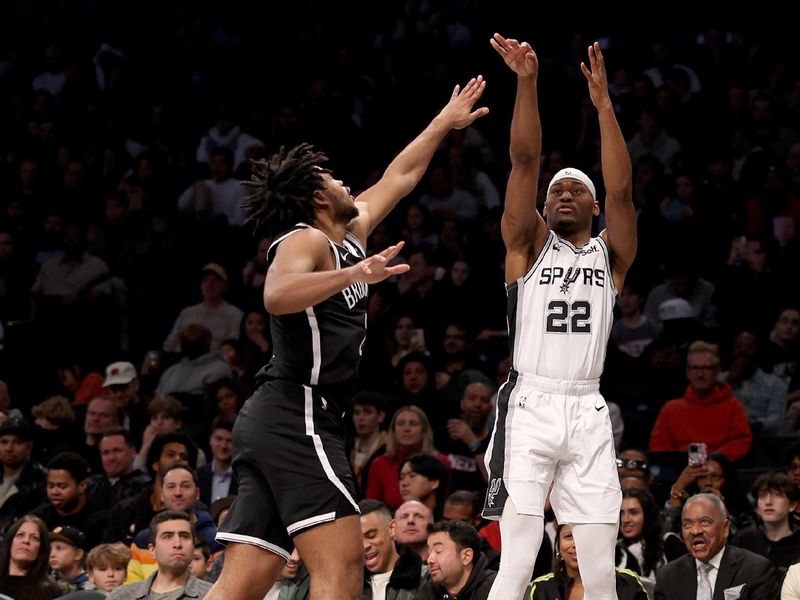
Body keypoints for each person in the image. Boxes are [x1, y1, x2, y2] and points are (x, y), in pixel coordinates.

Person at [209, 75, 488, 600]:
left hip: (276, 418)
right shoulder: (306, 238)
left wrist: (443, 123)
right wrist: (355, 277)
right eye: (333, 178)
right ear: (318, 196)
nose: (344, 183)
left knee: (240, 586)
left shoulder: (352, 236)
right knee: (342, 575)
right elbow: (277, 294)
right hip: (299, 412)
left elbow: (400, 175)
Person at [482, 34, 636, 600]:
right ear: (544, 207)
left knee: (599, 575)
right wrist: (526, 82)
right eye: (556, 190)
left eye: (577, 189)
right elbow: (523, 158)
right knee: (517, 563)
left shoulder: (609, 255)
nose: (564, 194)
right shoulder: (525, 247)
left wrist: (602, 104)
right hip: (531, 406)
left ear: (592, 208)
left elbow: (621, 192)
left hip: (589, 407)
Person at [653, 493, 780, 599]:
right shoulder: (668, 576)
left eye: (705, 522)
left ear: (725, 528)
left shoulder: (756, 570)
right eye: (687, 524)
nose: (695, 530)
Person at [526, 523, 649, 600]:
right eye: (569, 536)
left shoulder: (627, 583)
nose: (576, 544)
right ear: (558, 545)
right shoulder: (543, 588)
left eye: (584, 537)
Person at [107, 510, 212, 599]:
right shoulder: (121, 596)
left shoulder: (213, 595)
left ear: (193, 548)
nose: (177, 544)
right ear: (152, 550)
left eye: (184, 536)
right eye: (167, 536)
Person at [0, 514, 61, 599]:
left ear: (41, 548)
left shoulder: (50, 592)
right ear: (10, 541)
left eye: (34, 538)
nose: (26, 541)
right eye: (20, 535)